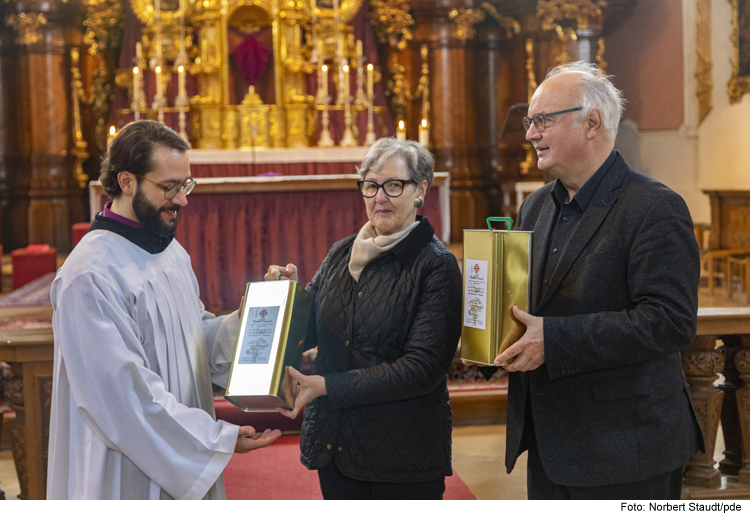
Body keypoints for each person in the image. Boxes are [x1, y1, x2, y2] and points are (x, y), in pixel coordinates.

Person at [487, 61, 704, 499]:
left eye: (543, 120)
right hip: (550, 441)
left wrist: (555, 339)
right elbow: (531, 305)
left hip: (626, 447)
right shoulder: (535, 207)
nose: (530, 133)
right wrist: (493, 329)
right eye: (530, 121)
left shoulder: (654, 208)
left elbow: (669, 322)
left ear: (592, 122)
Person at [48, 120, 280, 500]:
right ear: (127, 182)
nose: (182, 200)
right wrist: (213, 437)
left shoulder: (169, 252)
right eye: (169, 188)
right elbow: (123, 395)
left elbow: (192, 343)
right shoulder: (89, 274)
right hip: (123, 470)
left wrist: (256, 317)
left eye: (186, 185)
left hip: (176, 444)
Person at [266, 138, 462, 499]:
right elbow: (309, 332)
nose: (379, 197)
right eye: (371, 185)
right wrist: (288, 298)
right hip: (335, 446)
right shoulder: (342, 252)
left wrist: (327, 386)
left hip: (402, 455)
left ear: (420, 190)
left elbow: (422, 369)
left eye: (393, 185)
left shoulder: (436, 266)